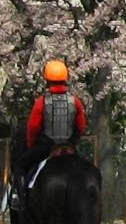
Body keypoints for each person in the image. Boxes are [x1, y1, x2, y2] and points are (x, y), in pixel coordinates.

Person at [21, 59, 87, 189]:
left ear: (47, 79)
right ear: (66, 78)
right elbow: (81, 127)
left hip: (46, 147)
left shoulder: (41, 102)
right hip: (69, 147)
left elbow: (33, 127)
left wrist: (31, 145)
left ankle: (19, 199)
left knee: (21, 165)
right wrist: (74, 142)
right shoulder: (75, 101)